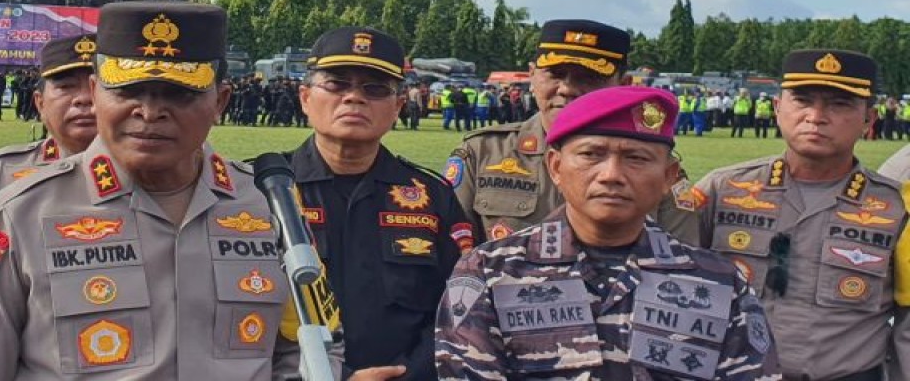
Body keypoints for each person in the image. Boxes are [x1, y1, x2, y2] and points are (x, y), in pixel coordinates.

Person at [0, 1, 358, 380]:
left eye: (179, 93)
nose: (151, 111)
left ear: (221, 101)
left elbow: (311, 341)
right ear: (97, 93)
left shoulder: (270, 207)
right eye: (129, 89)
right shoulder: (14, 216)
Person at [437, 86, 780, 380]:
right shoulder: (490, 272)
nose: (611, 174)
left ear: (669, 177)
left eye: (637, 158)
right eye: (592, 154)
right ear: (555, 167)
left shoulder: (719, 283)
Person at [696, 49, 910, 380]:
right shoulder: (724, 189)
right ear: (778, 108)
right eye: (802, 100)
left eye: (839, 104)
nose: (816, 116)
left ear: (869, 118)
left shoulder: (897, 207)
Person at [286, 26, 471, 379]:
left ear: (399, 105)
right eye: (337, 84)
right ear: (306, 97)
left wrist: (408, 374)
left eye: (375, 89)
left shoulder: (433, 197)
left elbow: (460, 304)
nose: (354, 98)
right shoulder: (264, 191)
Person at [444, 19, 699, 245]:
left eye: (588, 77)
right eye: (555, 74)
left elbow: (681, 261)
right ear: (532, 75)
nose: (566, 89)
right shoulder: (483, 153)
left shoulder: (653, 168)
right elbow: (453, 253)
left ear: (623, 84)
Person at [0, 35, 98, 227]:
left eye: (99, 86)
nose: (84, 98)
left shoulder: (146, 174)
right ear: (40, 102)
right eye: (66, 86)